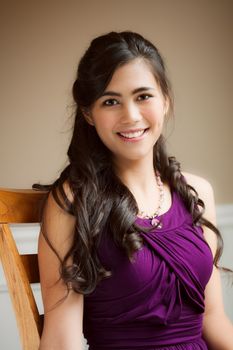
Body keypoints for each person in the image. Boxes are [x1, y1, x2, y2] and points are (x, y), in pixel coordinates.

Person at [38, 31, 233, 350]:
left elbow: (213, 320)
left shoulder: (197, 192)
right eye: (111, 101)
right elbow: (62, 339)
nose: (131, 116)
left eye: (143, 96)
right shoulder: (72, 203)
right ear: (88, 113)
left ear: (165, 101)